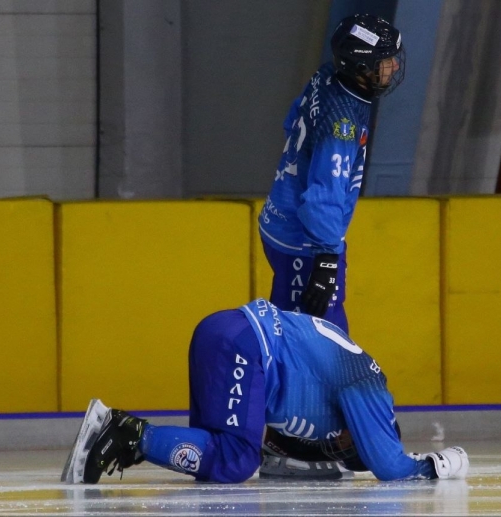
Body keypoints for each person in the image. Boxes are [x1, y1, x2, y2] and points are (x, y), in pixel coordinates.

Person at [61, 299, 468, 484]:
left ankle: (125, 439)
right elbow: (390, 468)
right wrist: (442, 464)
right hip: (248, 345)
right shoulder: (371, 390)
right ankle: (127, 434)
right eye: (350, 446)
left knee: (215, 453)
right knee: (237, 460)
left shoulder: (334, 401)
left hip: (224, 330)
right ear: (370, 433)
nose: (337, 447)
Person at [258, 14, 405, 333]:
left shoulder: (326, 76)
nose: (394, 66)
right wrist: (326, 259)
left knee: (300, 333)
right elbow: (324, 196)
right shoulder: (343, 125)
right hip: (303, 242)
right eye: (386, 60)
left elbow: (291, 122)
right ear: (362, 68)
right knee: (318, 339)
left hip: (285, 223)